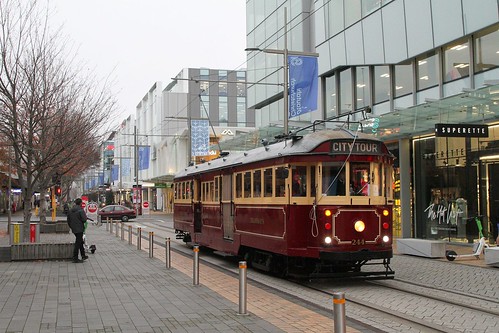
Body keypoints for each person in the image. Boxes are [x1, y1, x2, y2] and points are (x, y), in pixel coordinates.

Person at [67, 198, 88, 263]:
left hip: (74, 228)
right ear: (80, 203)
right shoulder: (81, 210)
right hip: (79, 228)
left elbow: (68, 220)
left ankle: (83, 255)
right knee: (78, 242)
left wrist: (71, 226)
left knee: (80, 241)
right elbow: (84, 219)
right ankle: (75, 257)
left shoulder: (71, 210)